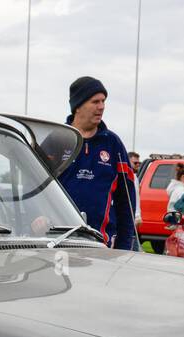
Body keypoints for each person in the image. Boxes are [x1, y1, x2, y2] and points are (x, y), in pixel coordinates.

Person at [57, 76, 138, 250]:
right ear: (78, 106)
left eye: (103, 101)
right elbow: (36, 188)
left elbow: (127, 202)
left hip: (101, 247)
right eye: (95, 101)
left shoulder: (113, 144)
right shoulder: (57, 139)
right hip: (56, 243)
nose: (101, 107)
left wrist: (124, 246)